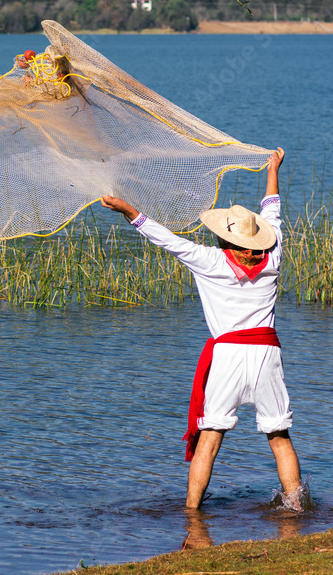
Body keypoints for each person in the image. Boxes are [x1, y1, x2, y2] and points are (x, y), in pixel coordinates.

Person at [101, 148, 302, 510]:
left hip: (228, 355)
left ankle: (193, 513)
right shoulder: (273, 257)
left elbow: (167, 240)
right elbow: (273, 211)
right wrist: (273, 169)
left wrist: (131, 212)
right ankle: (297, 509)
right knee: (279, 435)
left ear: (225, 239)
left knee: (210, 436)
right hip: (267, 353)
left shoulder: (209, 261)